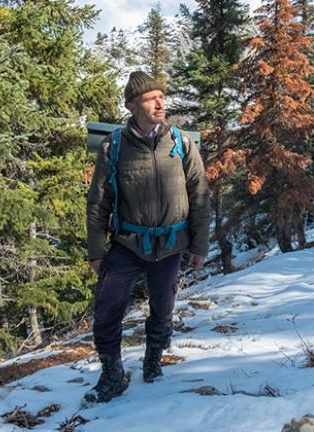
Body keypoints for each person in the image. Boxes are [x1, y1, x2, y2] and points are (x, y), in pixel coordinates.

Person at [85, 71, 210, 403]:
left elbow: (200, 195)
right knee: (108, 306)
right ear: (131, 106)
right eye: (150, 98)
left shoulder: (181, 142)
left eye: (162, 97)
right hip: (127, 242)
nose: (160, 103)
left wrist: (199, 244)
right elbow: (98, 201)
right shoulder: (114, 146)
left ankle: (153, 359)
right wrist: (96, 249)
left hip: (170, 244)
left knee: (162, 308)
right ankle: (112, 372)